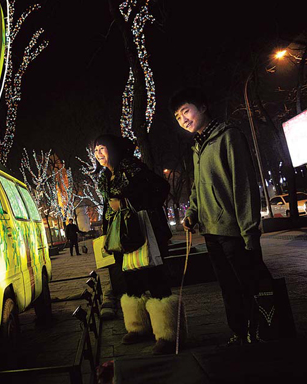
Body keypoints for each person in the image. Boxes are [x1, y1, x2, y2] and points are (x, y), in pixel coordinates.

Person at [170, 87, 270, 346]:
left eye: (186, 111)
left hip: (233, 231)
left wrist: (250, 232)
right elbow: (198, 187)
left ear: (202, 107)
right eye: (178, 118)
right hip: (211, 231)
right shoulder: (198, 146)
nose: (183, 120)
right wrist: (192, 212)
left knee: (248, 284)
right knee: (227, 287)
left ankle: (260, 332)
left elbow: (244, 185)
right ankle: (238, 332)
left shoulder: (228, 136)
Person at [94, 134, 182, 355]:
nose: (98, 154)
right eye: (95, 151)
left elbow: (160, 188)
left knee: (155, 277)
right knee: (130, 280)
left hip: (144, 229)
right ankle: (138, 327)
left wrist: (127, 203)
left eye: (102, 148)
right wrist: (106, 236)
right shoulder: (105, 177)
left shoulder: (132, 167)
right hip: (119, 235)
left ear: (113, 149)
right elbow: (107, 209)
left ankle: (168, 334)